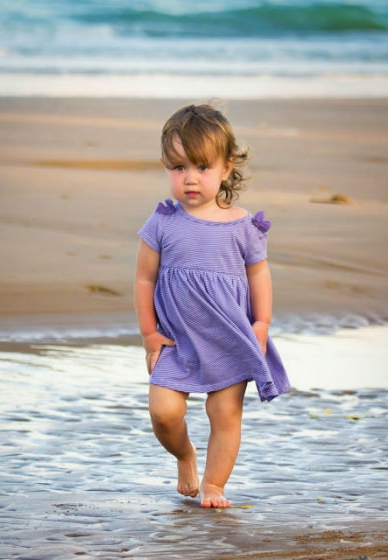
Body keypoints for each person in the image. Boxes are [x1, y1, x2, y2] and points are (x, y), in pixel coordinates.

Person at [134, 104, 290, 509]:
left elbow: (259, 276)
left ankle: (214, 485)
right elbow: (144, 279)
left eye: (202, 167)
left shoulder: (243, 226)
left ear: (226, 169)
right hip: (177, 340)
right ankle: (185, 456)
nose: (189, 178)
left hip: (229, 337)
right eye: (178, 167)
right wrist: (150, 335)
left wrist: (262, 323)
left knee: (225, 414)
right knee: (164, 413)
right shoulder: (162, 223)